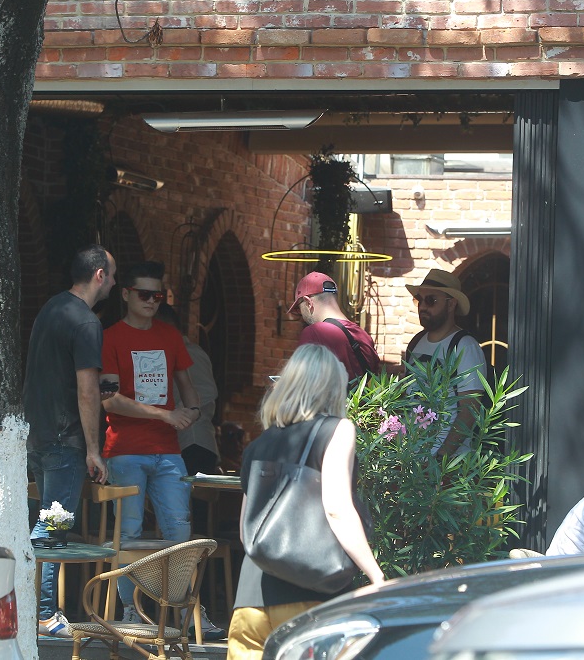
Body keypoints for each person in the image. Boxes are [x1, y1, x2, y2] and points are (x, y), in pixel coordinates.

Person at [227, 344, 385, 660]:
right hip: (308, 599)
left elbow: (247, 531)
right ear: (333, 387)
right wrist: (375, 575)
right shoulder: (337, 430)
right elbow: (337, 508)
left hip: (249, 602)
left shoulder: (258, 444)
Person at [99, 261, 224, 640]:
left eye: (158, 295)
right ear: (126, 294)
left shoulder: (169, 335)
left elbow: (188, 385)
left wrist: (192, 411)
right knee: (129, 533)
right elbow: (109, 399)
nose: (152, 301)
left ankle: (186, 611)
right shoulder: (111, 337)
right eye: (144, 294)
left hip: (168, 450)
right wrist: (166, 414)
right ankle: (129, 612)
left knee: (179, 530)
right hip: (125, 449)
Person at [24, 243, 115, 638]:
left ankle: (34, 610)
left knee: (46, 521)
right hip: (65, 440)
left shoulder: (51, 308)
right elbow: (86, 391)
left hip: (38, 433)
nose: (114, 283)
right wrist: (94, 449)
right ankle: (43, 615)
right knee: (52, 527)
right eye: (113, 275)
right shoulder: (87, 322)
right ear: (99, 275)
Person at [404, 269, 488, 457]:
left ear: (451, 304)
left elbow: (469, 409)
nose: (423, 307)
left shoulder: (465, 346)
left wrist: (440, 458)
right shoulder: (416, 342)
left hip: (448, 464)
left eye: (431, 300)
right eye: (419, 300)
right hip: (414, 458)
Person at [155, 303, 220, 475]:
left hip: (193, 442)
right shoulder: (166, 354)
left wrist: (175, 414)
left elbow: (206, 391)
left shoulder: (190, 353)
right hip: (181, 443)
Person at [288, 271, 381, 381]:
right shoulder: (364, 336)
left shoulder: (314, 333)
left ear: (308, 302)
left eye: (299, 308)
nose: (301, 314)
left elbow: (301, 383)